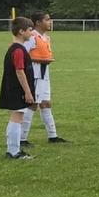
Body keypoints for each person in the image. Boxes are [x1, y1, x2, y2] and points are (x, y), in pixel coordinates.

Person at [21, 10, 68, 145]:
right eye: (47, 20)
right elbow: (21, 55)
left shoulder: (46, 37)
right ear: (38, 22)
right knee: (32, 104)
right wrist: (40, 60)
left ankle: (53, 136)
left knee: (46, 103)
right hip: (34, 75)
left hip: (44, 74)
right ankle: (22, 139)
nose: (50, 22)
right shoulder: (32, 37)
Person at [0, 16, 37, 159]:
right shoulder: (18, 50)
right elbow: (19, 71)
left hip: (13, 88)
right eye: (30, 30)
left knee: (16, 118)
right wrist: (28, 92)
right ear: (21, 31)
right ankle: (14, 151)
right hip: (17, 90)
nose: (32, 33)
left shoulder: (15, 48)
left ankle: (12, 149)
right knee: (17, 118)